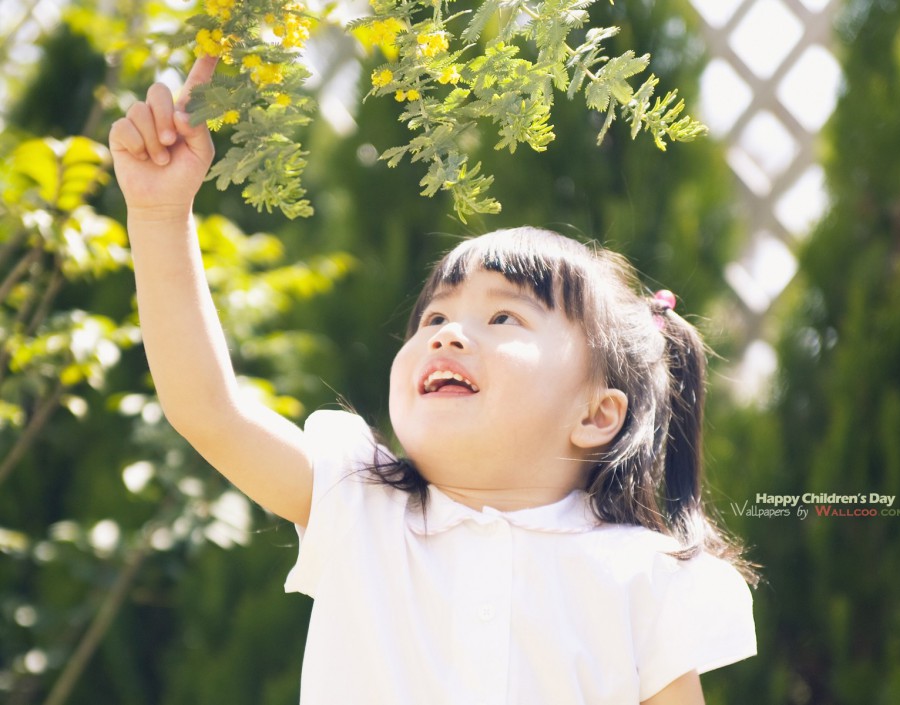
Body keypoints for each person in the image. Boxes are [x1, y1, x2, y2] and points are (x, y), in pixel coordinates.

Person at [109, 56, 757, 705]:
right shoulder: (357, 501)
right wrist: (161, 216)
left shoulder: (642, 577)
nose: (446, 334)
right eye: (436, 315)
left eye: (504, 315)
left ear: (596, 414)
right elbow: (208, 409)